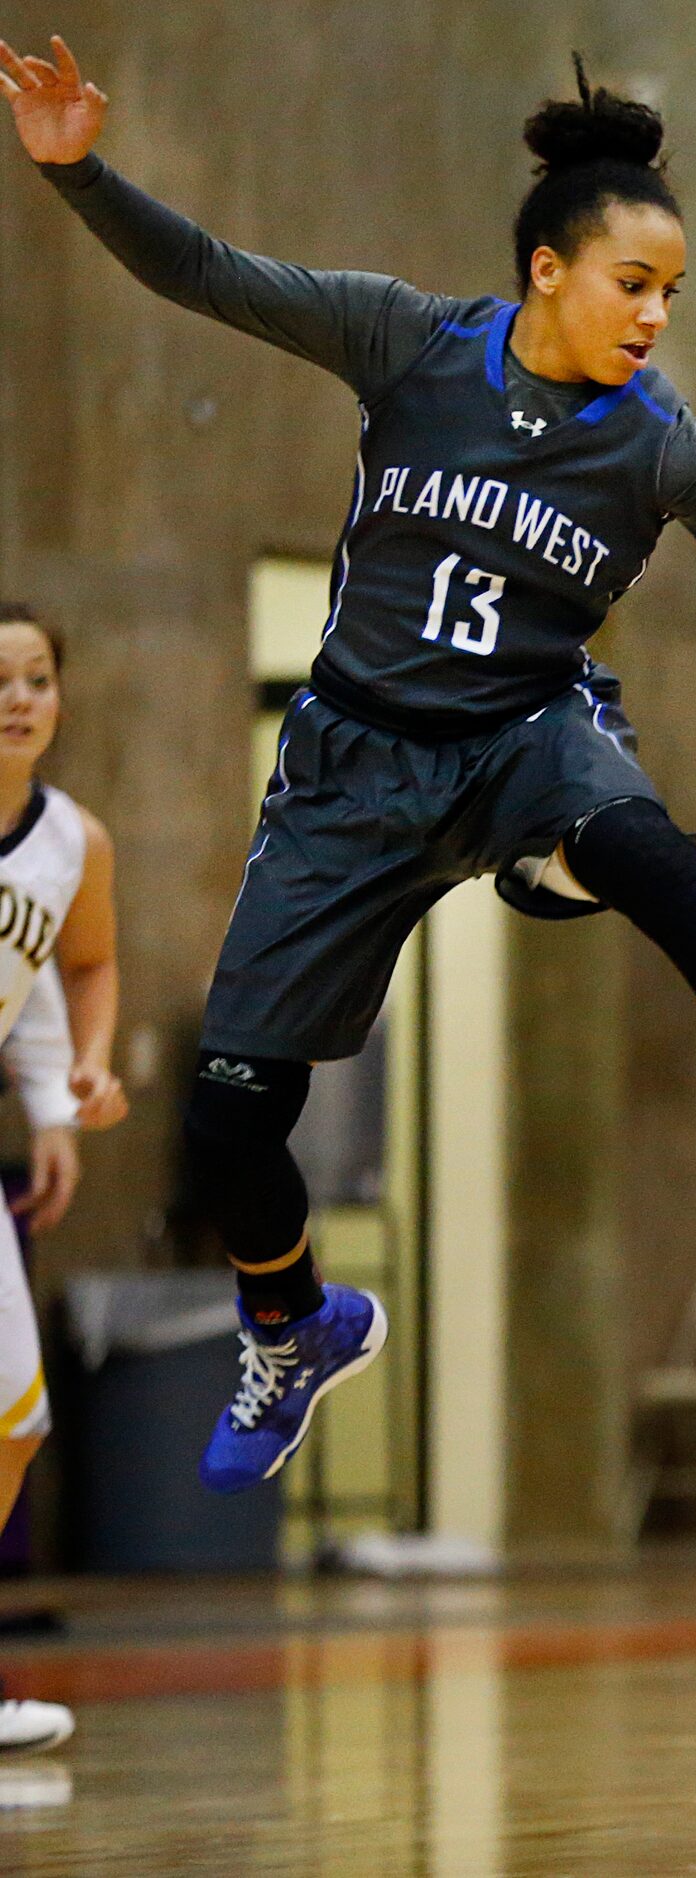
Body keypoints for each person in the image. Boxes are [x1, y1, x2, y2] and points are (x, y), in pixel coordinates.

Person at [0, 38, 696, 1492]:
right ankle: (293, 1321)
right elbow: (207, 270)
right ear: (544, 268)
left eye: (673, 293)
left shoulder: (660, 448)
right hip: (348, 765)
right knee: (228, 1122)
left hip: (525, 733)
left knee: (641, 840)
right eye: (632, 283)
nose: (656, 314)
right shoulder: (407, 341)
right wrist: (80, 171)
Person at [0, 604, 128, 1751]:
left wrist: (72, 1083)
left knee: (16, 1414)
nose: (19, 697)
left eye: (38, 676)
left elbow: (78, 963)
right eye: (0, 679)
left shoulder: (72, 840)